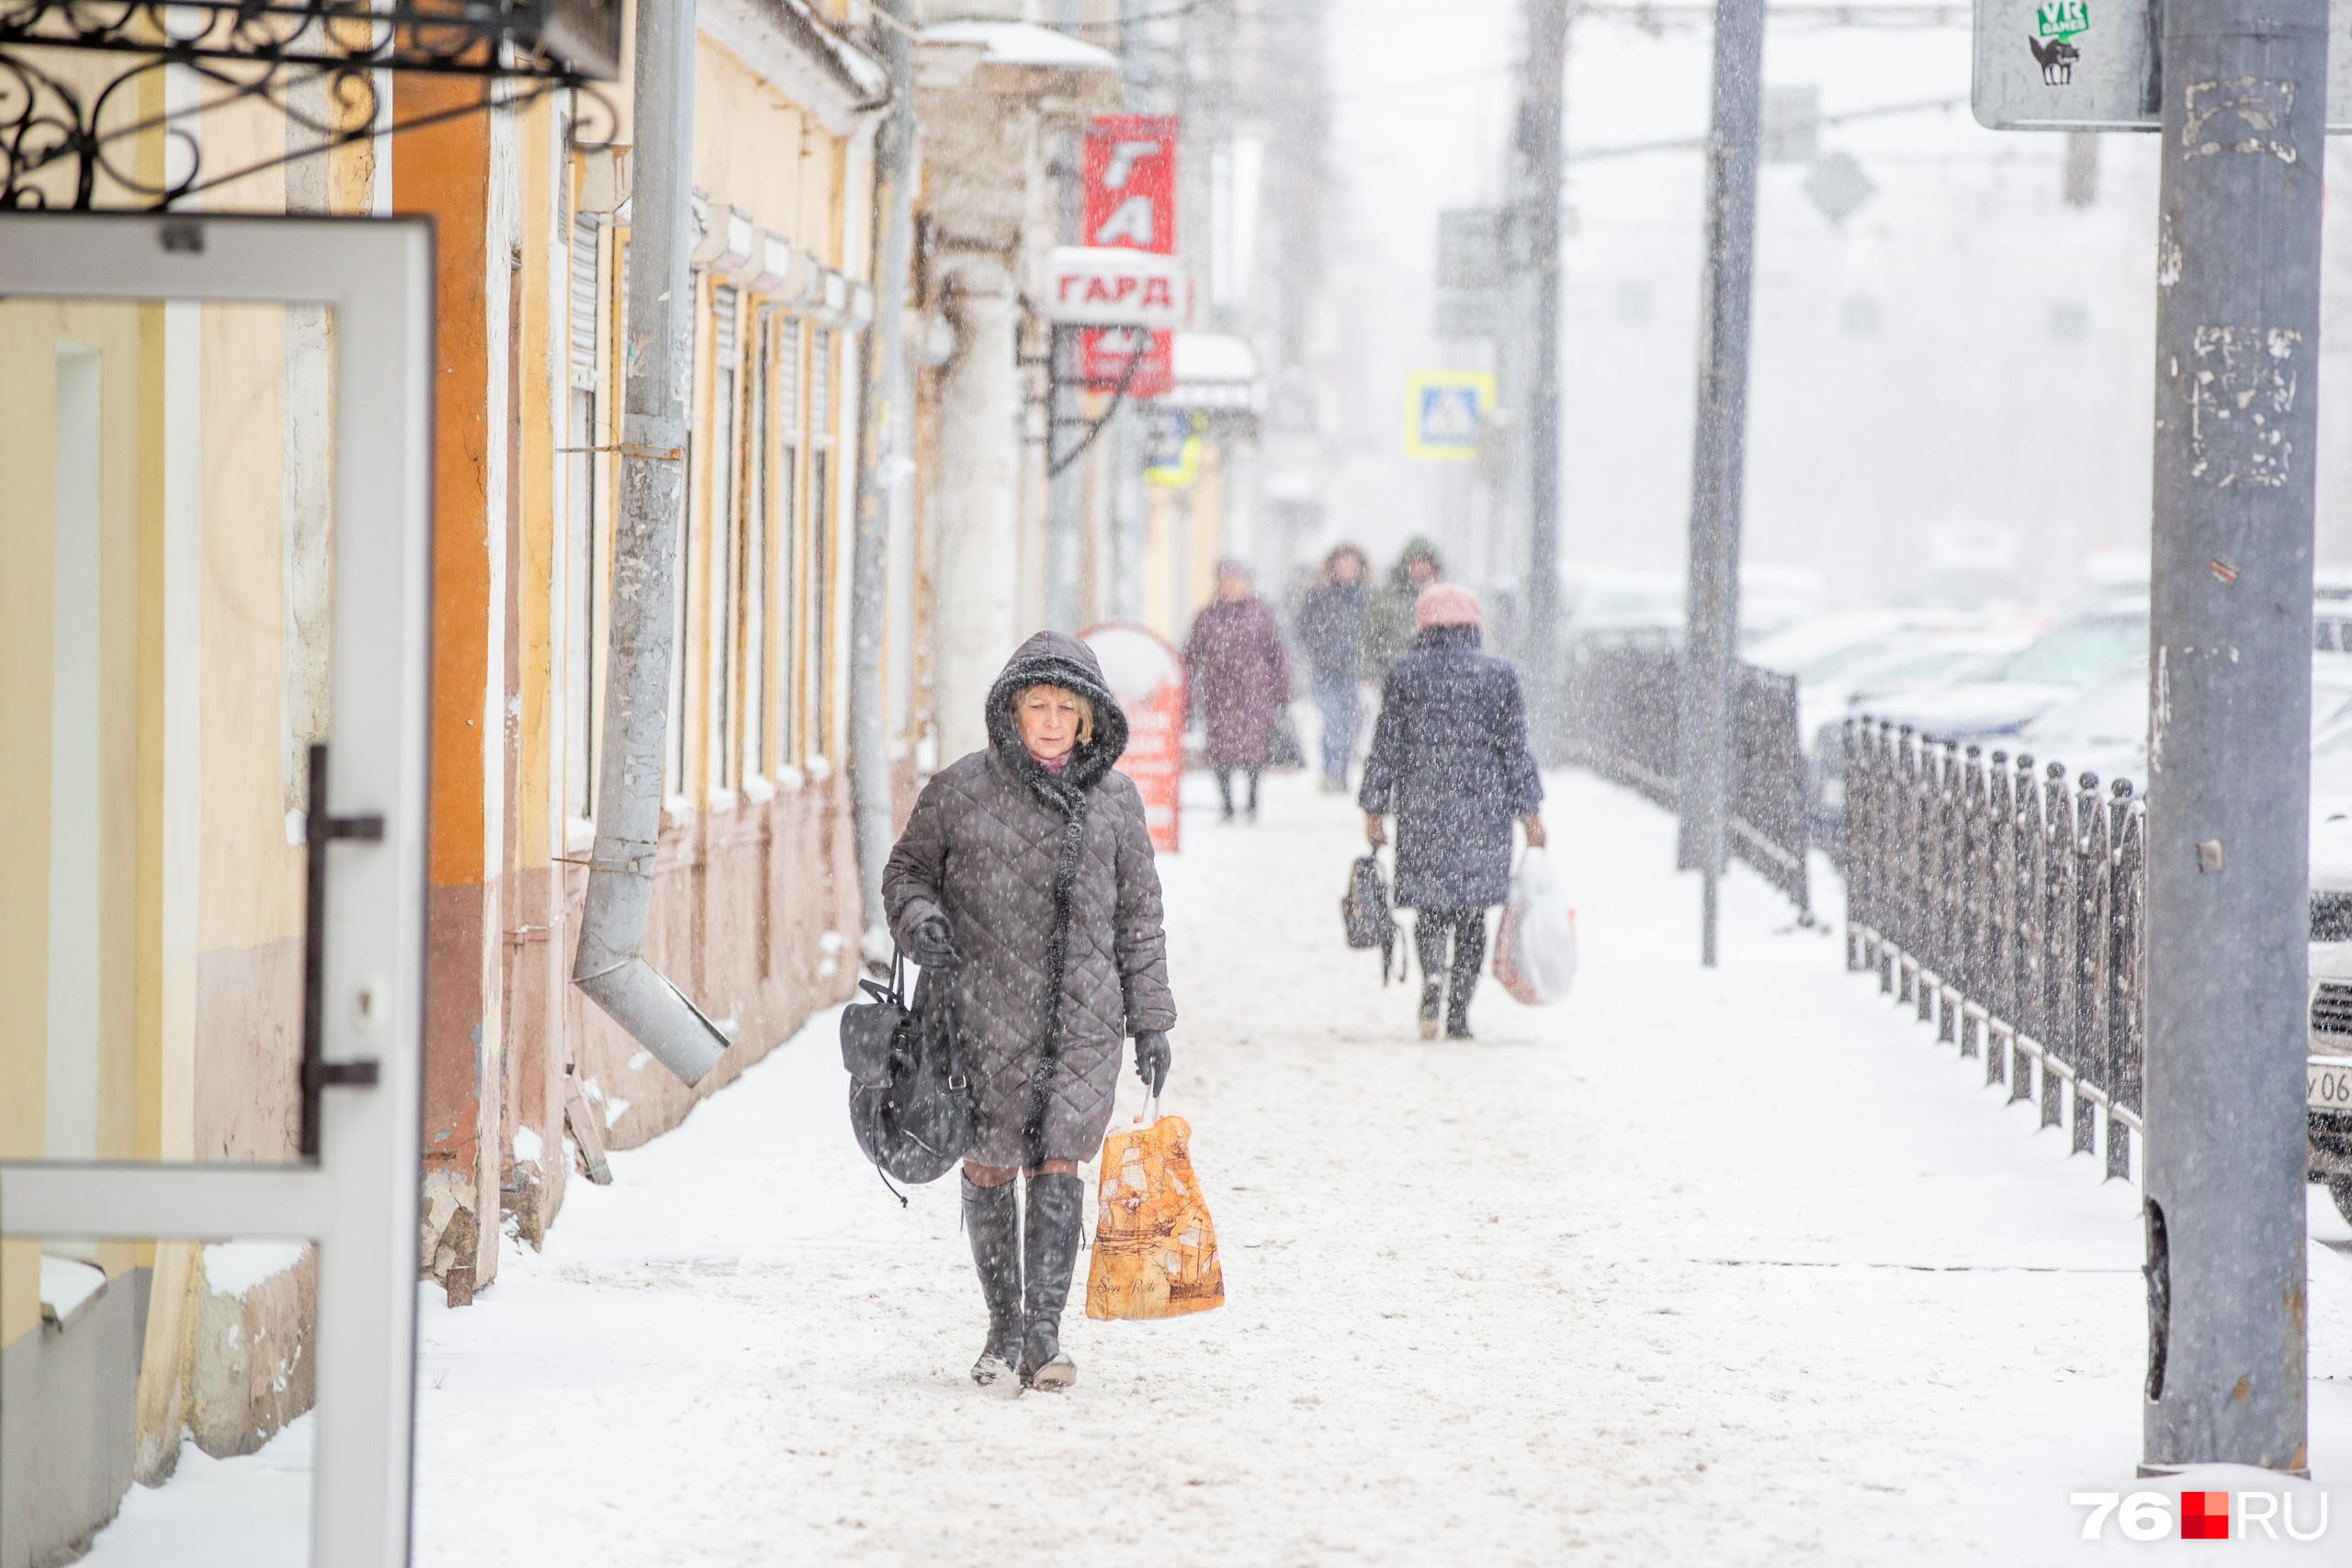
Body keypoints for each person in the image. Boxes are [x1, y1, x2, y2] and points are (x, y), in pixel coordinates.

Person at [883, 632, 1178, 1392]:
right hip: (978, 1013)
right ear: (1012, 712)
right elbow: (907, 872)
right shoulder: (959, 790)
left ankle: (1044, 1338)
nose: (1050, 721)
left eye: (1065, 708)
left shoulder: (1114, 800)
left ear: (1088, 719)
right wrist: (921, 922)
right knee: (988, 1163)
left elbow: (1139, 918)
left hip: (1083, 1018)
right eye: (1037, 706)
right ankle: (1003, 1327)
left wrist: (1151, 1019)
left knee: (1059, 1158)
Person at [1358, 583, 1545, 1041]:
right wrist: (1530, 811)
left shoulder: (1405, 674)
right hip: (1484, 808)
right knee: (1471, 912)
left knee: (1430, 908)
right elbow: (1515, 749)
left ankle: (1432, 983)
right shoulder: (1498, 675)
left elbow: (1386, 746)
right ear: (1474, 625)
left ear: (1423, 626)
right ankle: (1459, 1009)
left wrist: (1374, 807)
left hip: (1424, 806)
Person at [1183, 558, 1293, 821]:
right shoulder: (1207, 617)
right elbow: (1190, 657)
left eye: (1237, 580)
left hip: (1255, 693)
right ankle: (1227, 804)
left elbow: (1277, 653)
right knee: (1220, 752)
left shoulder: (1261, 614)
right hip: (1219, 694)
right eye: (1227, 581)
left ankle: (1253, 801)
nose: (1232, 586)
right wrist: (1184, 695)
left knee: (1254, 750)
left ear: (1247, 584)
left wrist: (1283, 691)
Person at [1293, 544, 1372, 792]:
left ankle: (1343, 773)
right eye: (1342, 564)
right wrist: (1318, 650)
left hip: (1353, 672)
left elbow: (1374, 632)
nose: (1346, 569)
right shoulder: (1319, 596)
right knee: (1331, 721)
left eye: (1351, 564)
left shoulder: (1365, 598)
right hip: (1325, 671)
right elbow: (1302, 628)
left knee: (1349, 725)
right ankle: (1330, 772)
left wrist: (1366, 661)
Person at [1360, 536, 1443, 685]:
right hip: (1390, 676)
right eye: (1417, 562)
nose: (1422, 568)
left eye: (1426, 562)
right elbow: (1369, 636)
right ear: (1406, 565)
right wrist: (1368, 673)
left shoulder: (1443, 597)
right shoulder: (1386, 597)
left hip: (1430, 678)